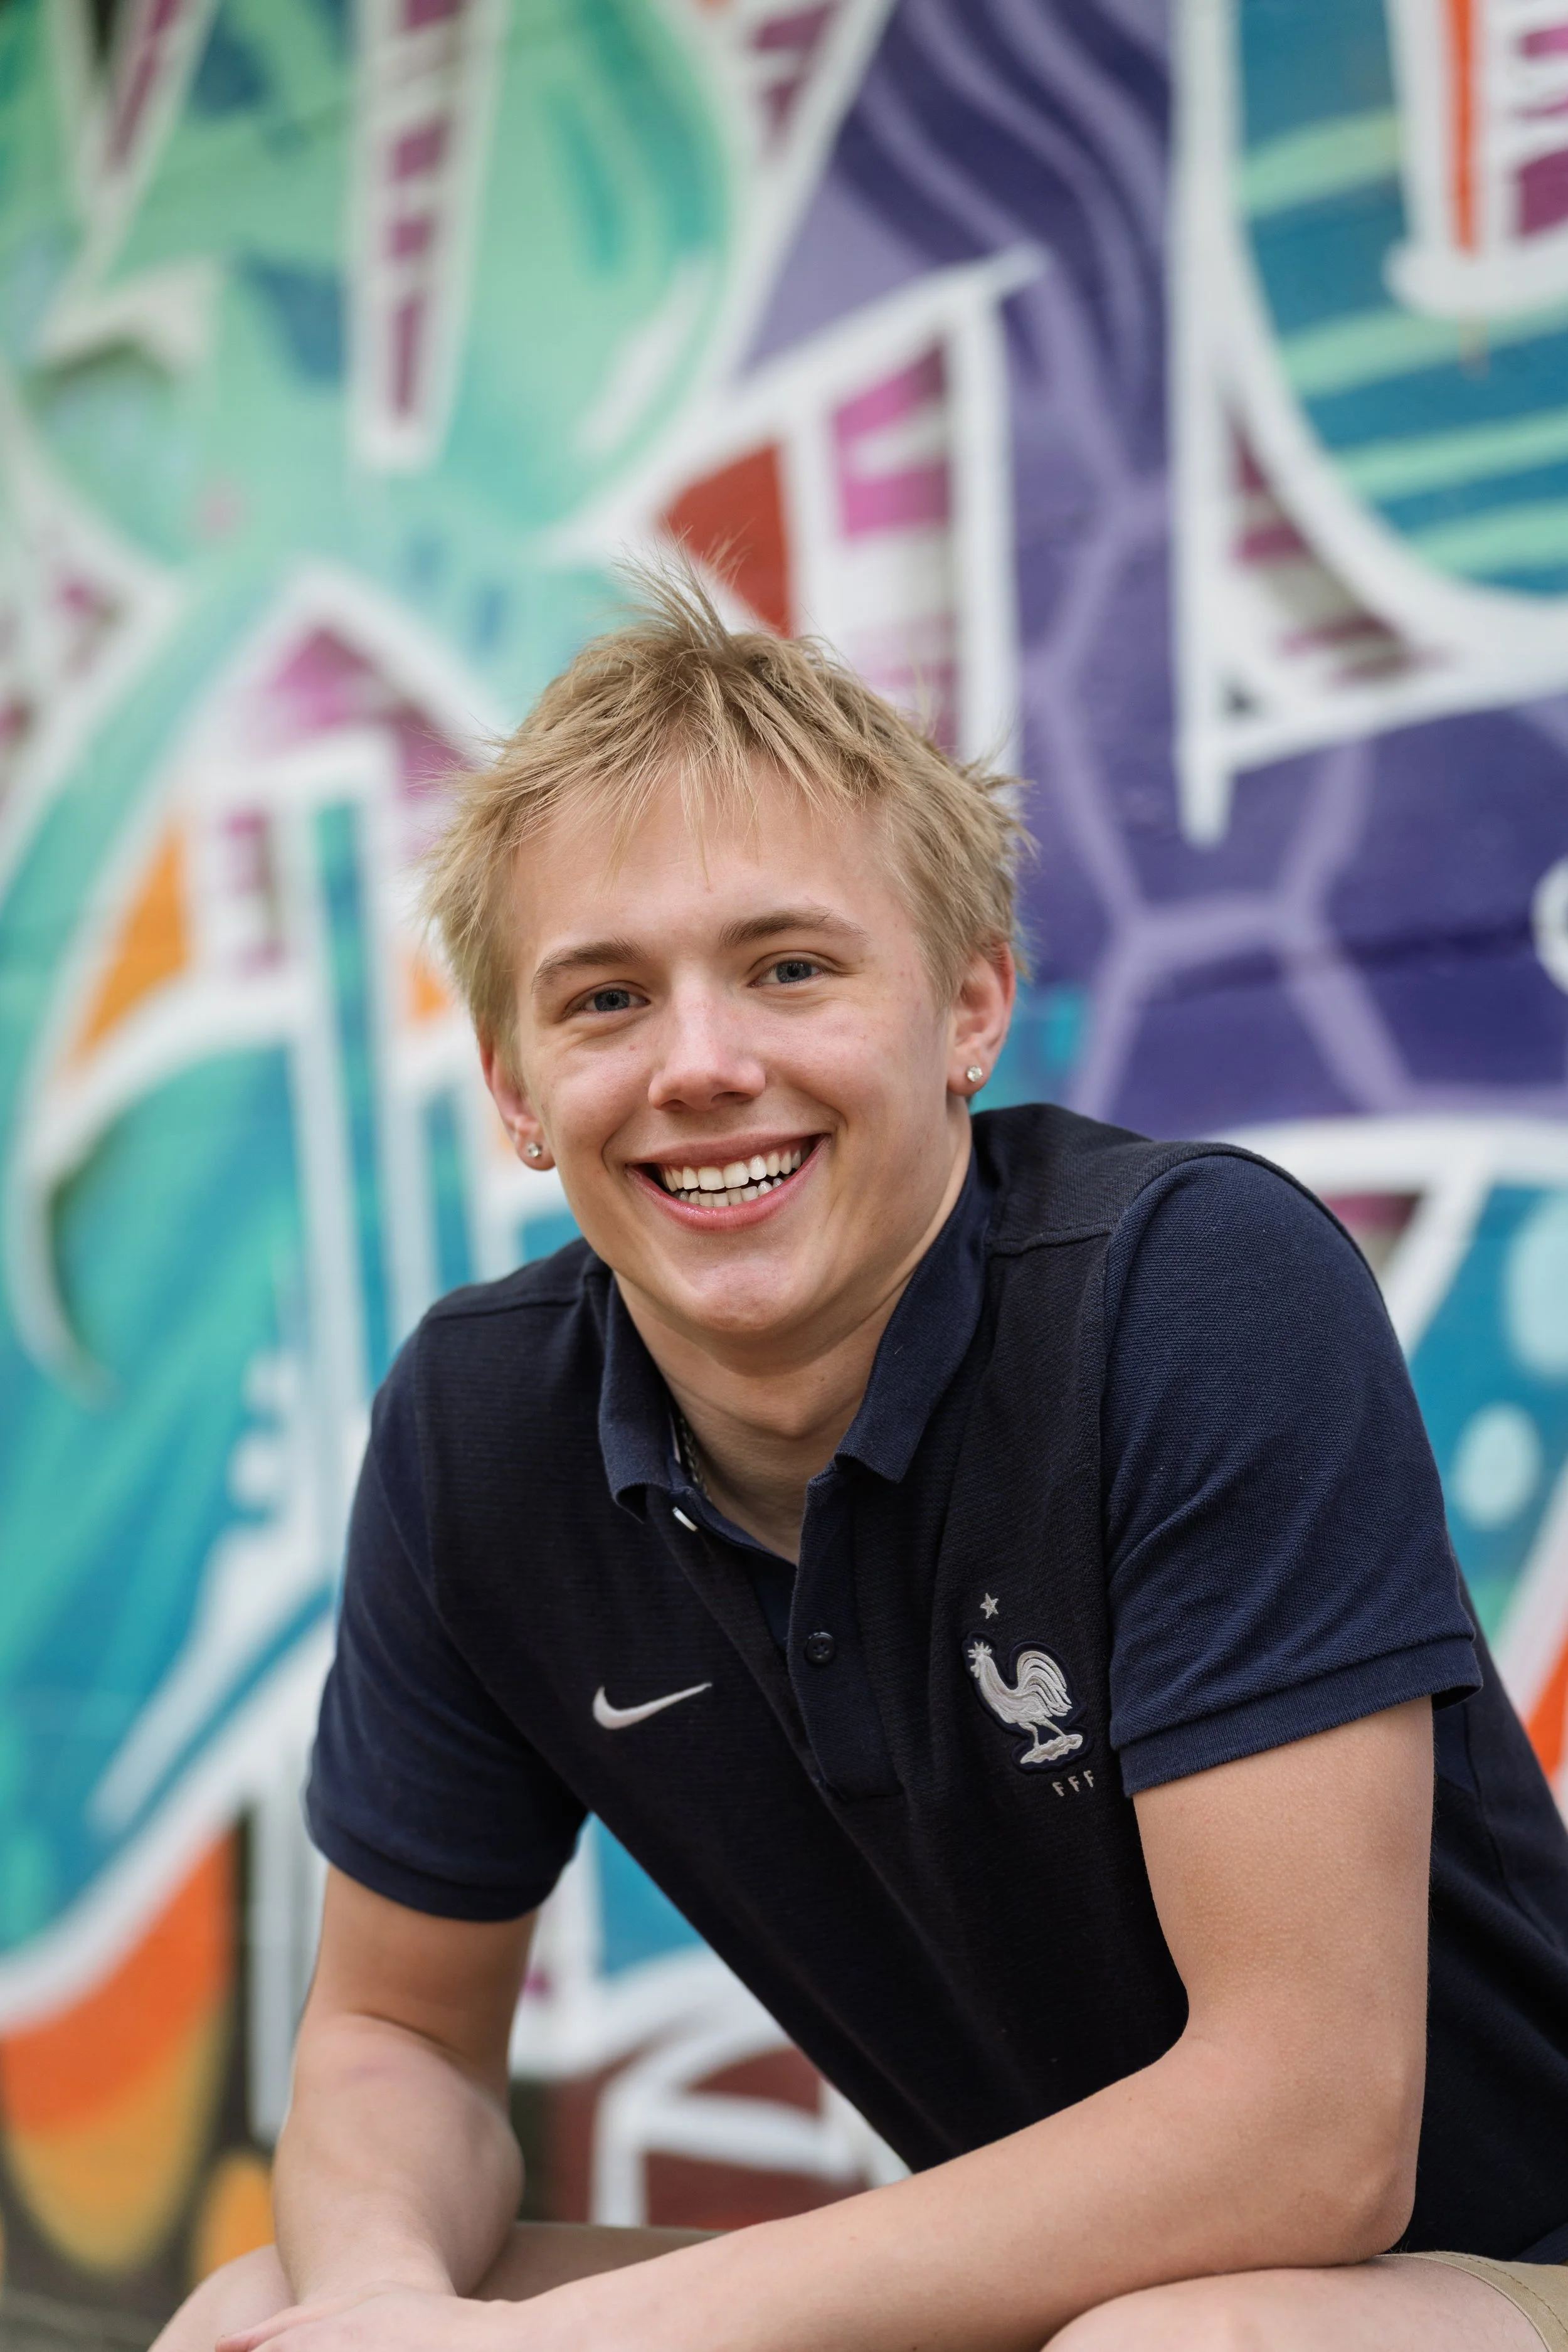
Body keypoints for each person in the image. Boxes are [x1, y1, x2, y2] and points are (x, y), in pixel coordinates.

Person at [162, 579, 1568, 2352]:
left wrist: (547, 2343)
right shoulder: (475, 1420)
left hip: (1482, 2265)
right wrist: (380, 2308)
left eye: (790, 967)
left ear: (968, 1006)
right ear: (514, 1085)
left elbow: (1309, 2131)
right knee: (256, 2314)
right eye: (603, 998)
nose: (701, 1063)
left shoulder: (1186, 1291)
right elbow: (394, 2038)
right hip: (1079, 2289)